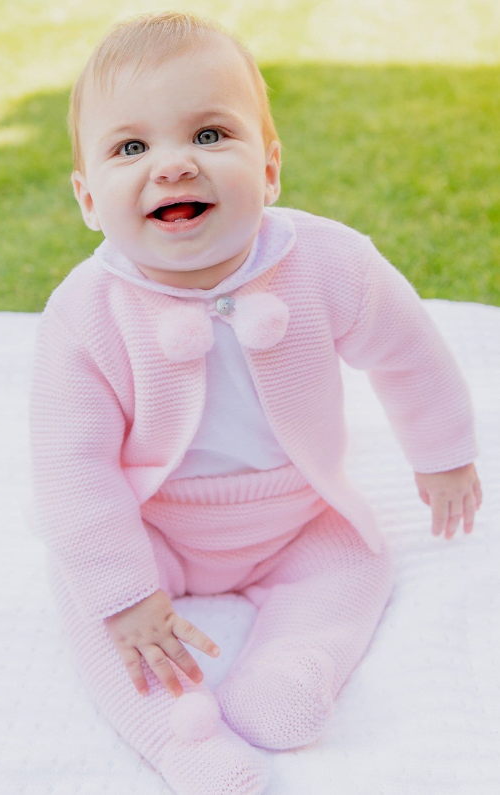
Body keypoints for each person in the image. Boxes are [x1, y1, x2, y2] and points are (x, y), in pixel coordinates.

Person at [29, 10, 482, 795]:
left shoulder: (326, 262)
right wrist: (127, 593)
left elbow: (409, 351)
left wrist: (443, 452)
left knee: (355, 559)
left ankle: (293, 665)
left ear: (270, 168)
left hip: (297, 513)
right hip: (156, 526)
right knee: (94, 601)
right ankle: (179, 740)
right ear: (88, 198)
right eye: (131, 147)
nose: (174, 166)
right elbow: (74, 470)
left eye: (210, 134)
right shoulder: (85, 315)